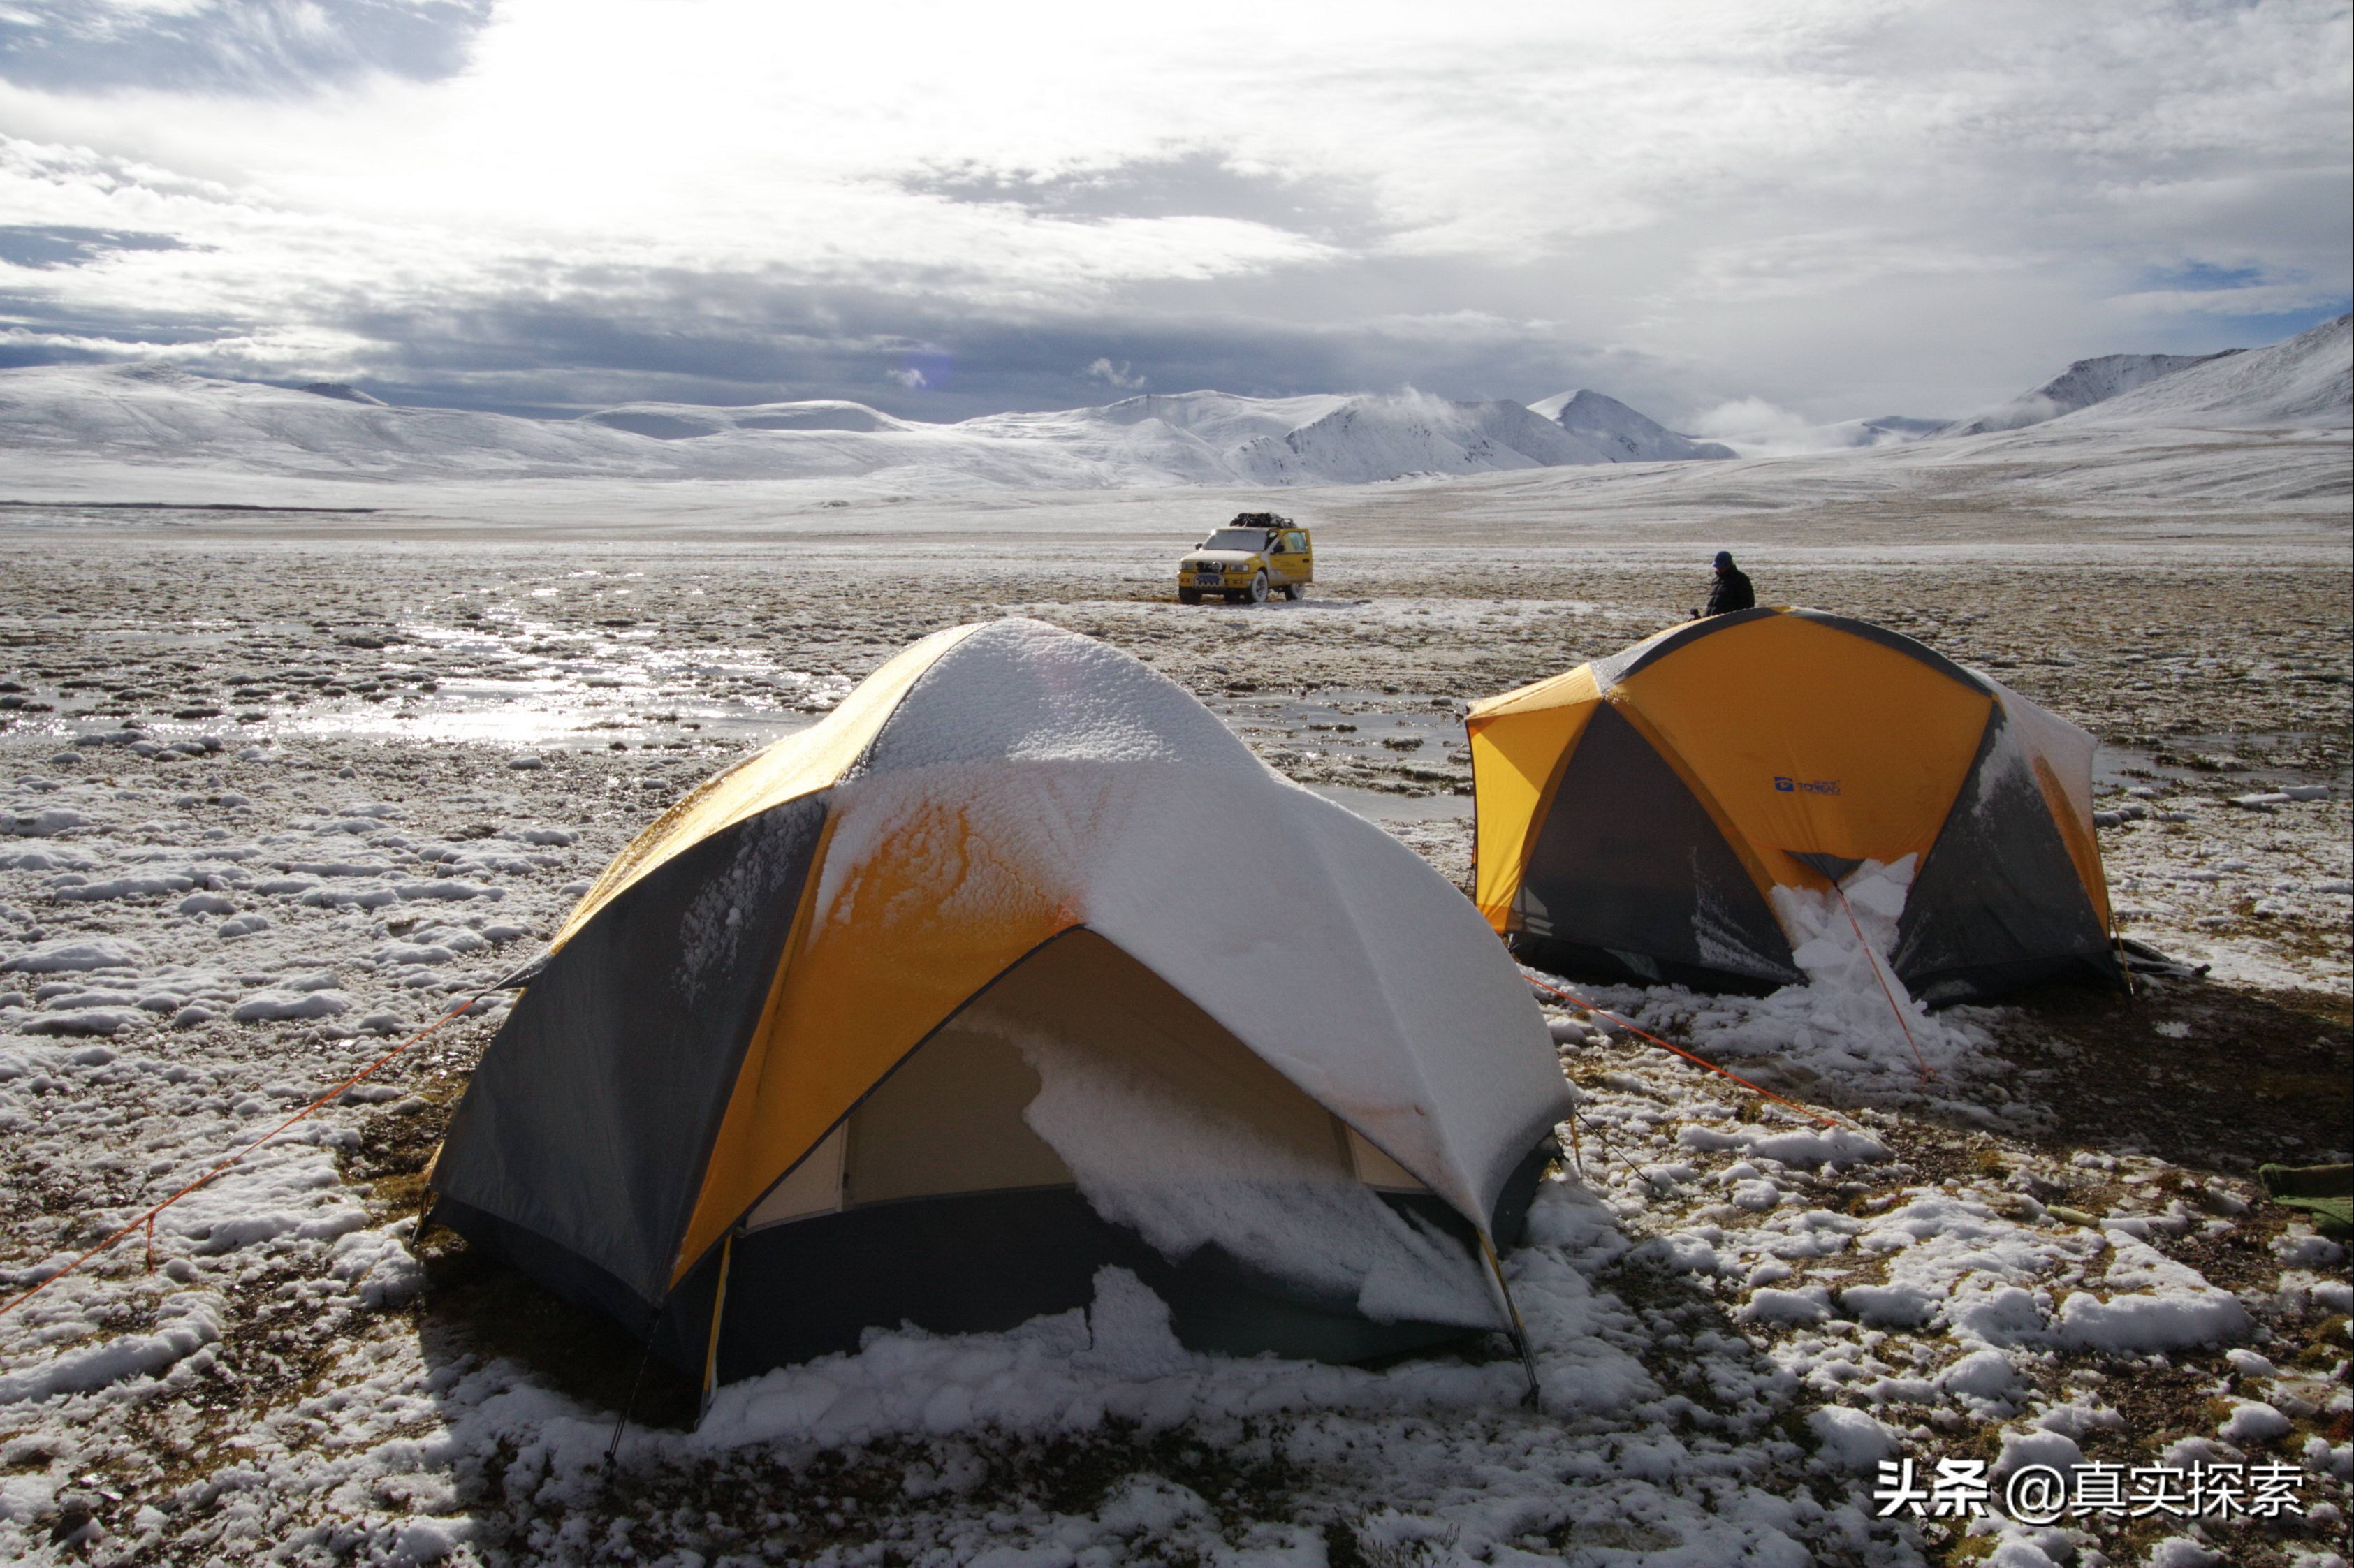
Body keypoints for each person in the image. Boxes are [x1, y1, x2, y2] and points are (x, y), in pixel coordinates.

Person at [1702, 550, 1754, 617]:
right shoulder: (1716, 580)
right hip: (1712, 622)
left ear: (1728, 565)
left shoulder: (1740, 579)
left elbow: (1748, 604)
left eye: (1720, 567)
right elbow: (1712, 604)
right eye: (1717, 567)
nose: (1718, 569)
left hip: (1728, 622)